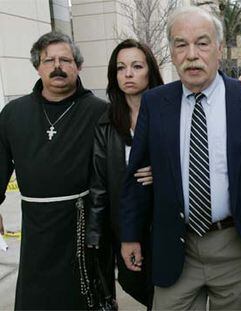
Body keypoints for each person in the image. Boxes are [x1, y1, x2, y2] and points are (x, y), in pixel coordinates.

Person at [120, 5, 241, 310]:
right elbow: (136, 175)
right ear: (171, 51)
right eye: (181, 44)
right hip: (176, 245)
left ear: (219, 49)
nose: (191, 54)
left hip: (240, 248)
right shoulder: (155, 103)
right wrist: (130, 235)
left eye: (202, 42)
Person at [0, 31, 107, 310]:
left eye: (65, 60)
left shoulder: (99, 112)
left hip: (82, 225)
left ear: (78, 66)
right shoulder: (14, 113)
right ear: (37, 66)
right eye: (49, 60)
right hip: (35, 227)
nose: (57, 66)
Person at [86, 39, 164, 309]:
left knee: (166, 293)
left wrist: (163, 172)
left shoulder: (169, 112)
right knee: (135, 284)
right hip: (125, 225)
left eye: (136, 66)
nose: (128, 74)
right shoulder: (107, 122)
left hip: (165, 224)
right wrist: (95, 235)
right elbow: (99, 185)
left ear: (150, 71)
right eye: (120, 68)